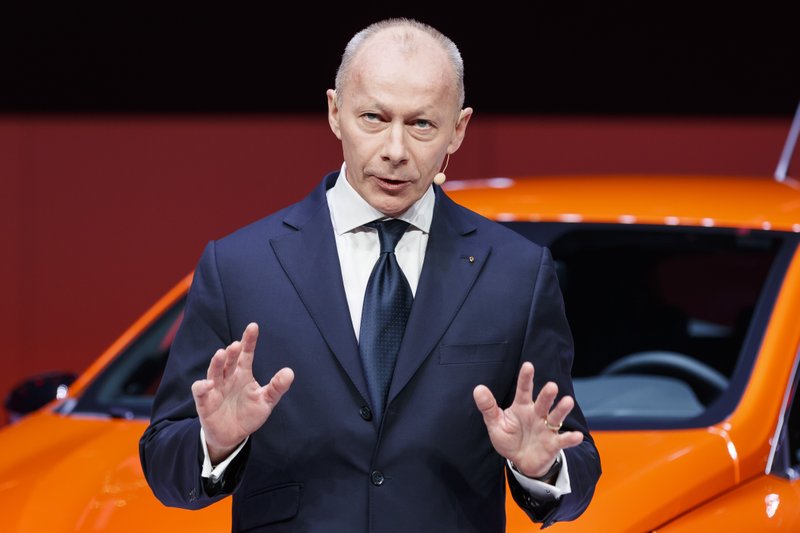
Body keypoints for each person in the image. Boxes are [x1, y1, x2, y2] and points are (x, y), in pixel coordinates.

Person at [140, 17, 600, 532]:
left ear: (459, 129)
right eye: (374, 118)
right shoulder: (239, 266)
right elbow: (163, 461)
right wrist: (217, 442)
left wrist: (540, 468)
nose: (396, 150)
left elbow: (576, 463)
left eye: (422, 124)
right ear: (335, 112)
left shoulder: (516, 272)